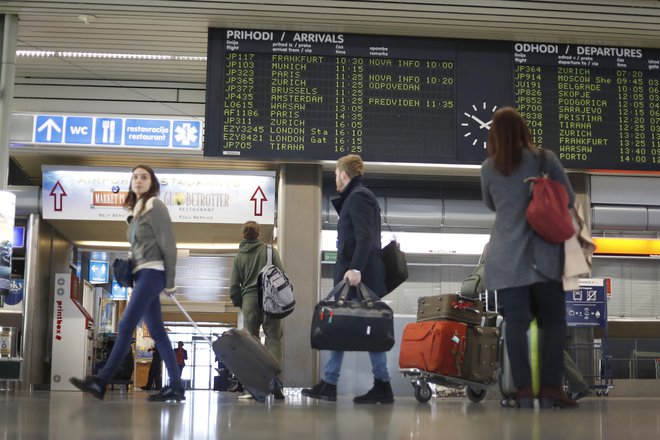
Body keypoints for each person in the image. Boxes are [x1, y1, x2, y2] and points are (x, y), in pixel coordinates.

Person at [480, 107, 577, 409]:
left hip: (506, 259)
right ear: (524, 130)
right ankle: (551, 388)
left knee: (516, 323)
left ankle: (521, 389)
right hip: (544, 256)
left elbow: (490, 203)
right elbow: (570, 199)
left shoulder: (488, 168)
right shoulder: (544, 160)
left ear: (494, 135)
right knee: (554, 322)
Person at [70, 164, 184, 402]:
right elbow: (138, 248)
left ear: (152, 183)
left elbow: (169, 245)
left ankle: (101, 381)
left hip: (153, 273)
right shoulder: (137, 211)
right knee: (158, 333)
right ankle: (175, 385)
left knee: (125, 325)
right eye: (134, 177)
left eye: (144, 177)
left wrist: (170, 282)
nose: (138, 180)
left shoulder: (155, 206)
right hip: (142, 275)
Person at [301, 154, 393, 404]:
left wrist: (355, 268)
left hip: (358, 276)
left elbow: (365, 237)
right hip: (357, 273)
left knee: (367, 328)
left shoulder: (359, 195)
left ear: (344, 174)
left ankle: (381, 384)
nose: (336, 181)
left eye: (335, 176)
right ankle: (331, 383)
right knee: (339, 325)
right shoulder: (357, 195)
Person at [229, 221, 286, 400]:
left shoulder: (239, 257)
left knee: (250, 344)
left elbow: (234, 288)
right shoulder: (270, 251)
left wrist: (242, 303)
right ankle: (275, 383)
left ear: (243, 235)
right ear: (259, 234)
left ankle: (252, 387)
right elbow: (281, 275)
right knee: (274, 339)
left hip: (249, 301)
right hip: (271, 300)